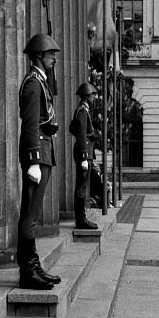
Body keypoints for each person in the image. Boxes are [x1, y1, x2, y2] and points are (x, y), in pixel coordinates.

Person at [17, 33, 62, 290]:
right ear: (38, 56)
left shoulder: (40, 81)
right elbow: (31, 124)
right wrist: (33, 160)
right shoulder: (33, 84)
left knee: (30, 213)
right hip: (38, 151)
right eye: (50, 54)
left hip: (44, 148)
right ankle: (28, 270)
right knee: (30, 215)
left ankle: (32, 266)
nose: (53, 58)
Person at [69, 82, 100, 230]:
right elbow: (80, 134)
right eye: (92, 95)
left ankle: (82, 218)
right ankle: (80, 219)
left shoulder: (83, 110)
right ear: (86, 96)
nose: (94, 97)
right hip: (84, 153)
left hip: (85, 151)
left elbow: (72, 128)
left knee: (83, 186)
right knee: (81, 187)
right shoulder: (82, 111)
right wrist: (83, 156)